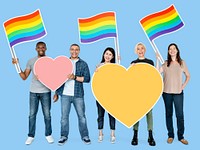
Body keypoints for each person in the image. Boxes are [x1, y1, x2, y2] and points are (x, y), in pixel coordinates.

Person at [12, 42, 54, 145]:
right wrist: (17, 65)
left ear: (46, 48)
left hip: (46, 92)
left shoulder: (50, 61)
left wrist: (45, 77)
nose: (41, 49)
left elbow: (54, 78)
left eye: (43, 47)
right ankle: (31, 136)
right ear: (36, 49)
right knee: (31, 115)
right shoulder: (31, 61)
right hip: (33, 92)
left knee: (47, 115)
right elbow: (24, 77)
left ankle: (48, 134)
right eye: (39, 47)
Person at [53, 44, 91, 145]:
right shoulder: (63, 63)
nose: (74, 51)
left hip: (78, 94)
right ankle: (63, 136)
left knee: (81, 116)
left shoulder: (83, 64)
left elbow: (87, 79)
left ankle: (85, 136)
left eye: (77, 50)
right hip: (64, 94)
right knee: (64, 117)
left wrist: (74, 77)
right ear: (69, 50)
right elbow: (57, 78)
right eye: (72, 49)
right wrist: (56, 92)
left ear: (79, 51)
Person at [156, 43, 190, 145]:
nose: (172, 50)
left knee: (180, 115)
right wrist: (157, 59)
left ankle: (181, 136)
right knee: (168, 114)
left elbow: (188, 76)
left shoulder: (182, 63)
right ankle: (170, 135)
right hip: (166, 93)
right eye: (170, 49)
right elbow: (157, 73)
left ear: (177, 50)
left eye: (174, 48)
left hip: (178, 93)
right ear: (168, 51)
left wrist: (183, 86)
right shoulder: (165, 63)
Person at [130, 43, 156, 146]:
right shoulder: (133, 63)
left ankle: (150, 136)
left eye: (142, 48)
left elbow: (154, 77)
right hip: (137, 92)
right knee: (136, 114)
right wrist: (131, 68)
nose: (140, 50)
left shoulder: (150, 62)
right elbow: (130, 79)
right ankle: (135, 135)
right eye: (138, 49)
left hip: (148, 92)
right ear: (136, 51)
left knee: (149, 114)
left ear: (144, 50)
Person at [95, 47, 116, 143]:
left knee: (112, 115)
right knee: (100, 115)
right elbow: (96, 82)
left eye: (110, 54)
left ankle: (112, 134)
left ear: (112, 57)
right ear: (104, 54)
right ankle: (100, 133)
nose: (108, 56)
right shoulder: (99, 66)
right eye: (106, 54)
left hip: (111, 96)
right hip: (100, 95)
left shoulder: (115, 67)